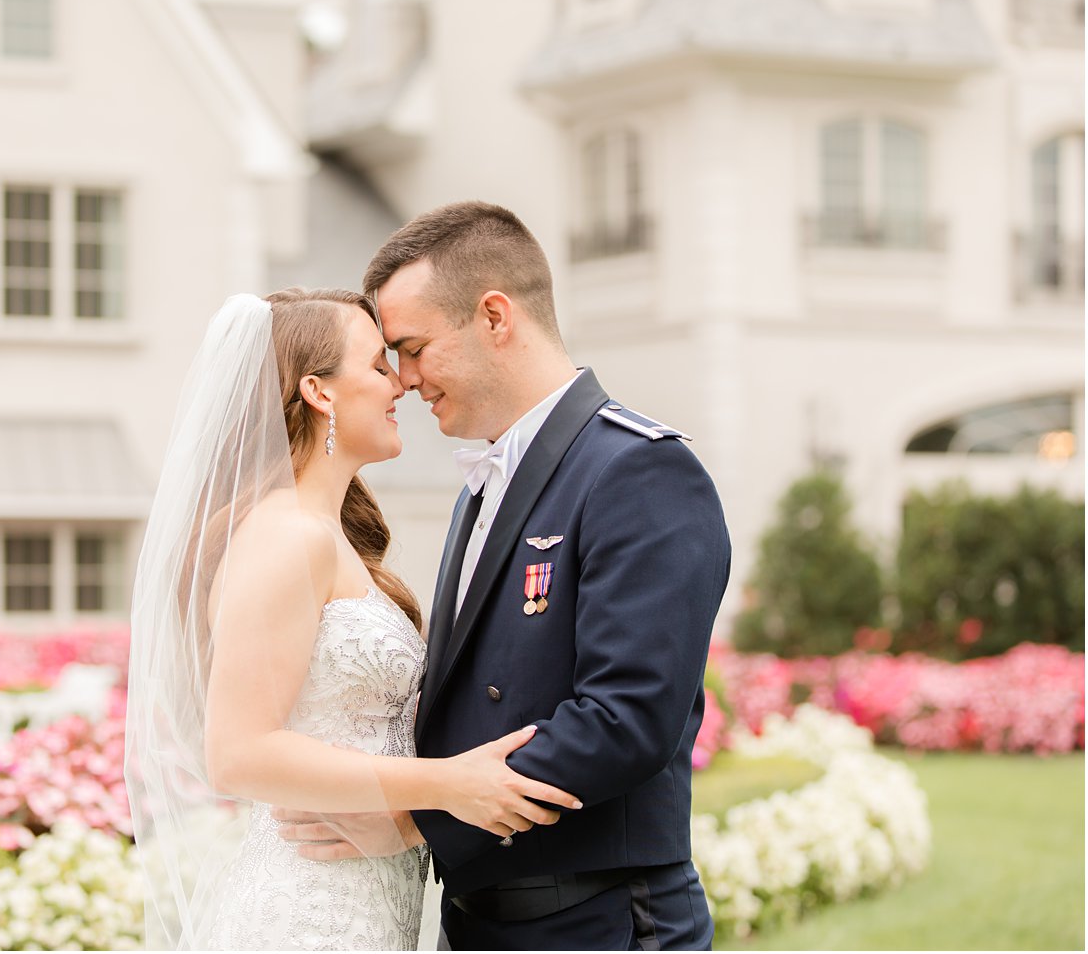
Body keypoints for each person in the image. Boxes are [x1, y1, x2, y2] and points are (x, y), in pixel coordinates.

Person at [284, 201, 731, 949]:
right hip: (484, 920)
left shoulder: (638, 468)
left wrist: (409, 816)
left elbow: (626, 716)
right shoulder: (481, 486)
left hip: (601, 921)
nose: (403, 379)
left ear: (494, 316)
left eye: (415, 347)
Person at [124, 288, 582, 951]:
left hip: (368, 899)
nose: (400, 382)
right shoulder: (287, 536)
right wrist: (448, 785)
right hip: (309, 912)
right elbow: (238, 751)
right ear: (319, 391)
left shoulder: (327, 533)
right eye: (377, 365)